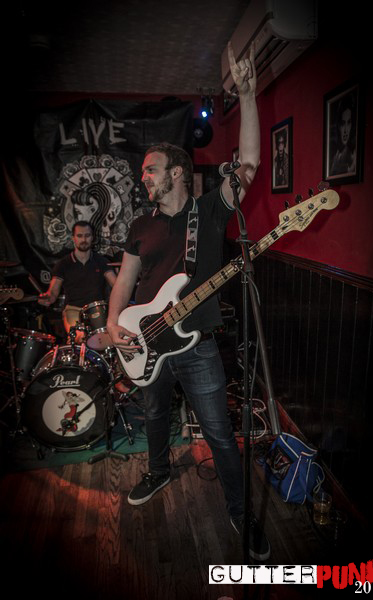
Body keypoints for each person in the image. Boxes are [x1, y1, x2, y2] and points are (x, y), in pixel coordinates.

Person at [107, 42, 270, 561]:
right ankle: (158, 471)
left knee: (220, 436)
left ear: (176, 171)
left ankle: (240, 512)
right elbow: (124, 282)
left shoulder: (210, 209)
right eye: (143, 172)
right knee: (155, 417)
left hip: (196, 346)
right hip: (145, 339)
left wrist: (247, 95)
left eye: (150, 170)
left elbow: (248, 164)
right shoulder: (141, 225)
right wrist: (112, 323)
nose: (144, 177)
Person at [38, 220, 117, 342]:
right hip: (73, 309)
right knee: (79, 337)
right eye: (79, 236)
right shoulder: (63, 264)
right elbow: (53, 293)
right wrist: (47, 298)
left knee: (104, 339)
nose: (84, 239)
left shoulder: (101, 261)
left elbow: (116, 286)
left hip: (97, 309)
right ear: (73, 238)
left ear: (92, 238)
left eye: (87, 235)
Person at [330, 94, 356, 176]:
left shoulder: (353, 155)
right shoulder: (336, 156)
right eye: (342, 123)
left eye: (349, 123)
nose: (345, 131)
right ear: (338, 126)